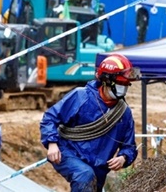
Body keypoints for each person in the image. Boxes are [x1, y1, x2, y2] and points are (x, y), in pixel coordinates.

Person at [40, 54, 138, 192]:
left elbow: (130, 146)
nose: (124, 88)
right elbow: (50, 118)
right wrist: (51, 143)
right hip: (68, 152)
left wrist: (123, 157)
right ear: (106, 81)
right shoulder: (81, 96)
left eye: (125, 84)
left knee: (90, 180)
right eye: (120, 83)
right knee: (84, 175)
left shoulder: (124, 113)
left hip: (98, 168)